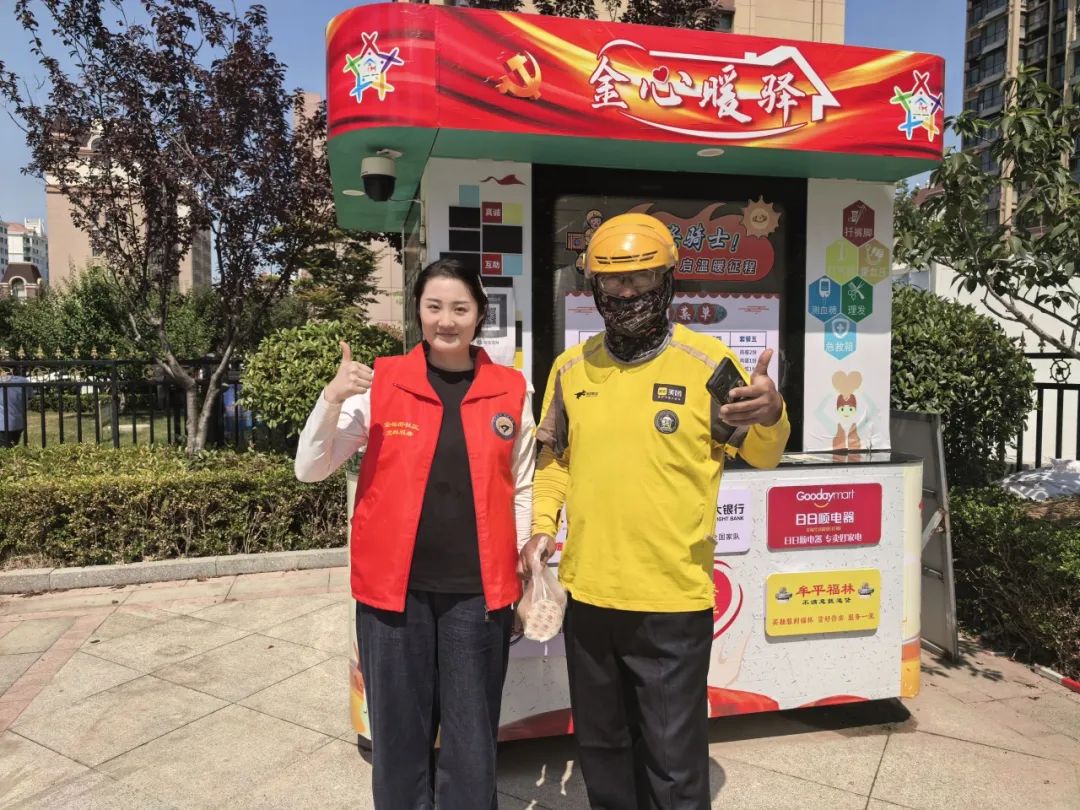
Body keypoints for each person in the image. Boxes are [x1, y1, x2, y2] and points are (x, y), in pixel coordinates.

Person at [521, 213, 790, 809]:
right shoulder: (570, 369)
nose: (627, 291)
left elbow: (763, 453)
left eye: (642, 277)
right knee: (603, 750)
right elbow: (555, 461)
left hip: (671, 601)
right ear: (593, 286)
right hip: (589, 596)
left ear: (669, 278)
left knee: (673, 765)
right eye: (613, 280)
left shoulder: (708, 364)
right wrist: (541, 528)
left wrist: (771, 414)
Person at [295, 259, 535, 810]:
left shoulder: (510, 389)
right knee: (399, 739)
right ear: (418, 313)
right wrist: (331, 398)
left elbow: (521, 486)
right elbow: (310, 468)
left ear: (480, 315)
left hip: (478, 595)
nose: (446, 320)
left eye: (460, 308)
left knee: (472, 740)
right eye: (434, 307)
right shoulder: (381, 383)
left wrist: (521, 570)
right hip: (392, 594)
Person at [0, 372, 28, 449]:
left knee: (5, 451)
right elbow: (29, 397)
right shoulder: (24, 381)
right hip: (18, 422)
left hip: (2, 424)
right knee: (12, 448)